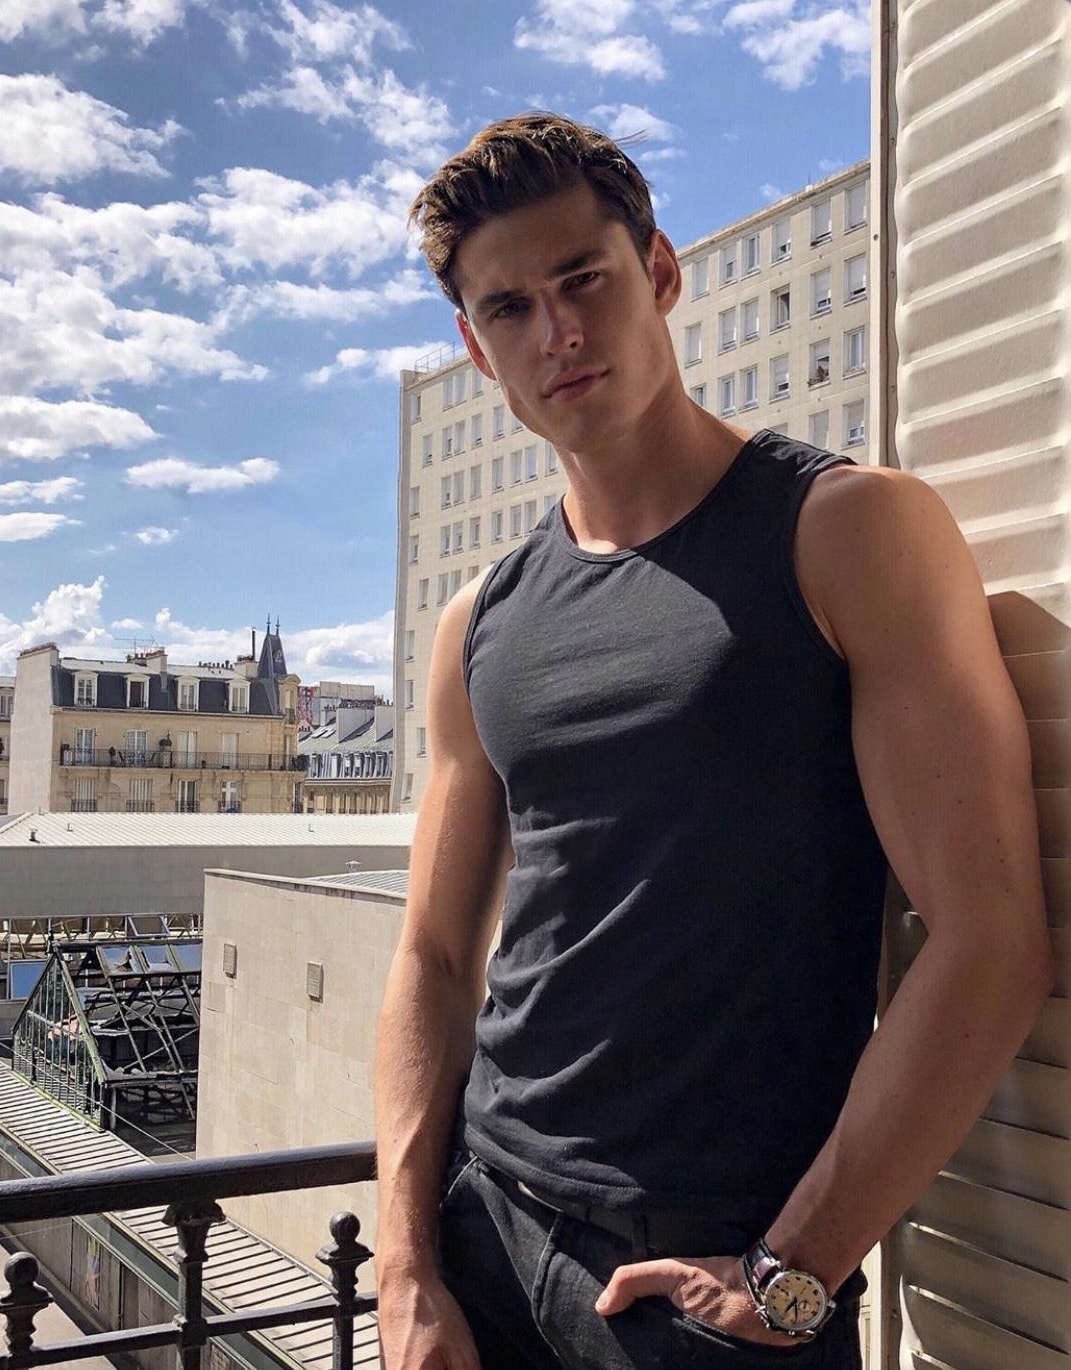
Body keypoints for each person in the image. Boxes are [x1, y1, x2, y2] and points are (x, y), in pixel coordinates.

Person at [374, 112, 1052, 1370]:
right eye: (510, 308)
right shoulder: (479, 623)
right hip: (484, 1234)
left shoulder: (846, 531)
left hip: (709, 1279)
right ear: (476, 346)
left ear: (660, 272)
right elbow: (431, 953)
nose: (557, 331)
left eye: (585, 279)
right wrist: (407, 1264)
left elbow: (992, 937)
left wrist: (796, 1267)